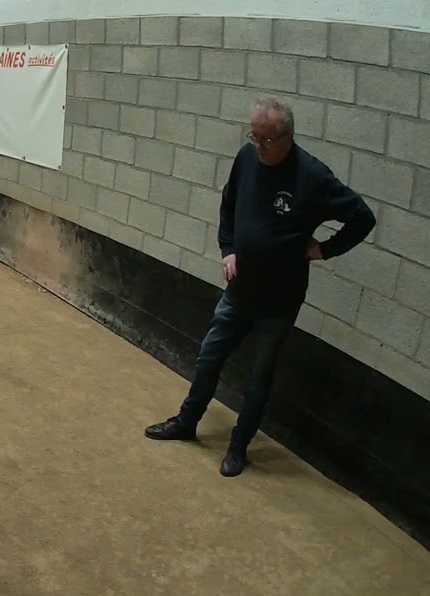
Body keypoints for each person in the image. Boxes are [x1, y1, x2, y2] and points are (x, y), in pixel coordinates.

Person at [144, 96, 375, 476]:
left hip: (279, 301)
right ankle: (186, 422)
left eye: (266, 139)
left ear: (287, 138)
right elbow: (229, 204)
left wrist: (324, 249)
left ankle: (238, 447)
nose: (259, 146)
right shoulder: (246, 158)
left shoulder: (313, 177)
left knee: (260, 376)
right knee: (209, 357)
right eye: (254, 136)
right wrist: (229, 248)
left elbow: (363, 217)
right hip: (239, 290)